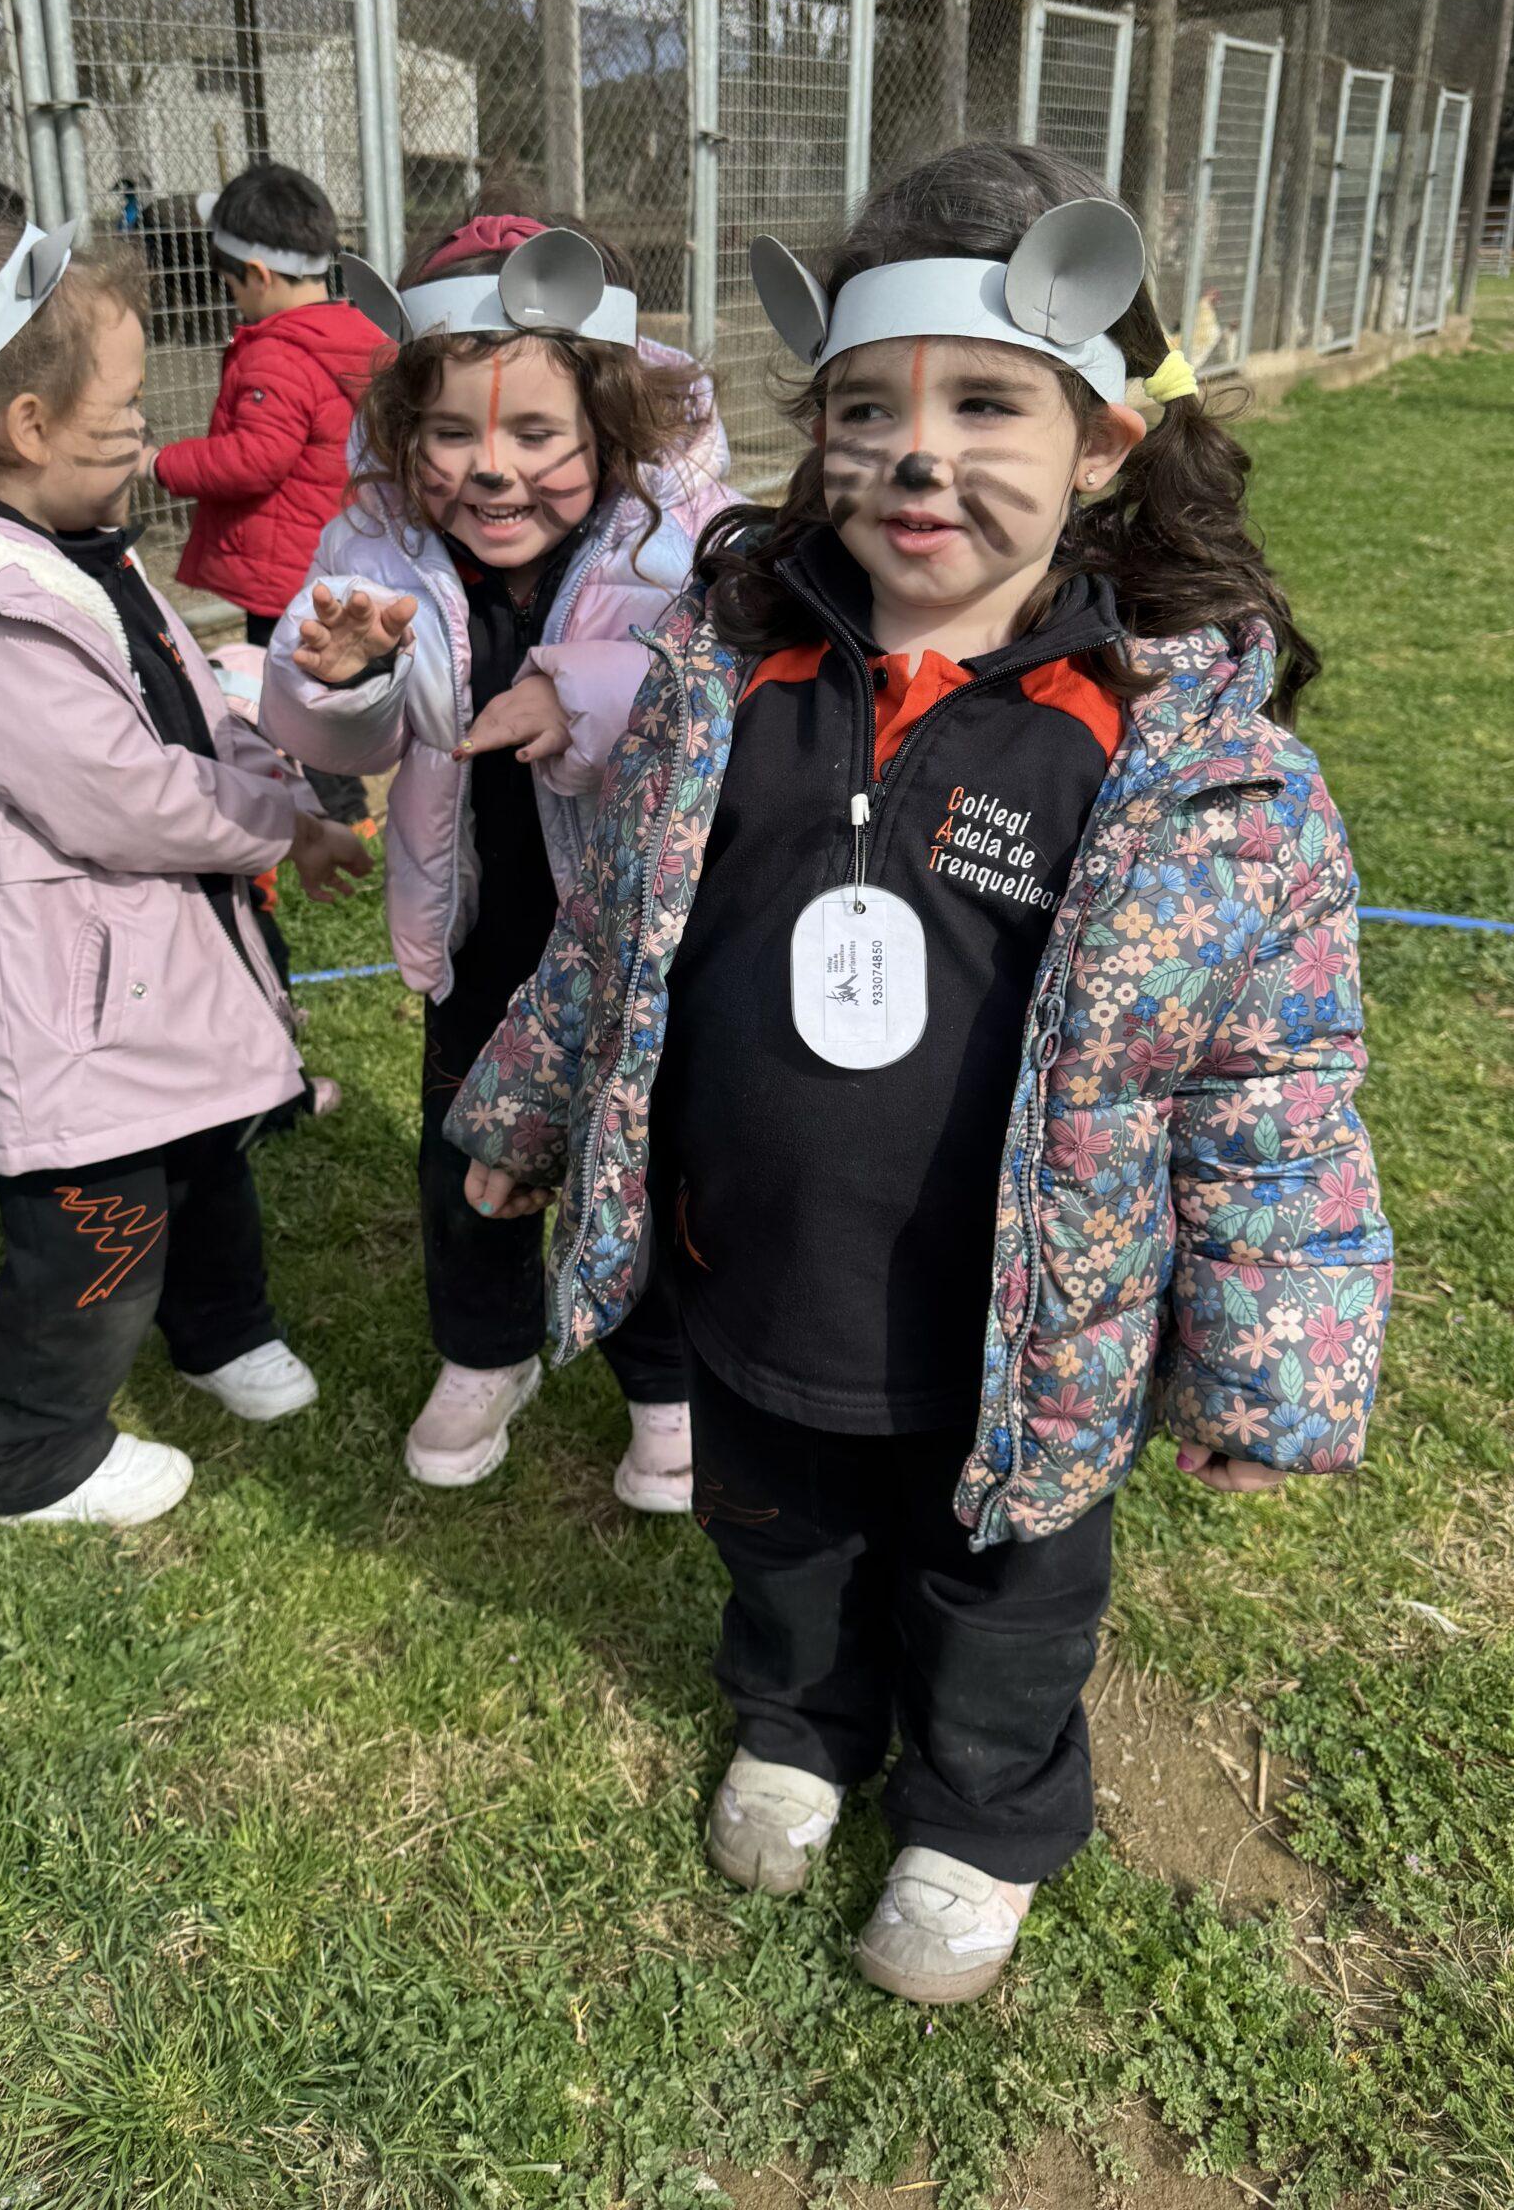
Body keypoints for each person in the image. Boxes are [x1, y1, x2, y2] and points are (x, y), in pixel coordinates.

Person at [451, 143, 1392, 2004]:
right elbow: (617, 931)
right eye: (866, 409)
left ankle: (980, 1812)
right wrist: (527, 1107)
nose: (915, 456)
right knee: (780, 1545)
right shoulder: (732, 673)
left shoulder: (1190, 760)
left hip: (1022, 1335)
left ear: (1104, 441)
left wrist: (1272, 1360)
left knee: (1003, 1599)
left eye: (984, 407)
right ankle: (799, 1725)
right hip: (755, 1276)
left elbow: (1273, 1088)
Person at [0, 219, 372, 1529]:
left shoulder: (74, 548)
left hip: (142, 970)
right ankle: (38, 1455)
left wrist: (281, 796)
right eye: (128, 415)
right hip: (58, 1002)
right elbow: (125, 794)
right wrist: (275, 824)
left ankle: (220, 1332)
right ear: (31, 427)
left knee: (205, 1147)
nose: (148, 438)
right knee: (97, 1224)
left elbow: (187, 708)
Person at [259, 213, 742, 1509]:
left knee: (638, 1155)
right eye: (450, 435)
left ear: (609, 422)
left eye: (535, 435)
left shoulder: (688, 532)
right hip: (477, 926)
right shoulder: (375, 540)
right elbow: (336, 728)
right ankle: (486, 1352)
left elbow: (727, 683)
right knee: (464, 1149)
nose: (490, 471)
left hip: (637, 935)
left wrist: (576, 692)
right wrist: (339, 683)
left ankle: (663, 1376)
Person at [143, 161, 389, 829]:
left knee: (287, 692)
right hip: (330, 556)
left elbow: (254, 458)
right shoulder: (354, 336)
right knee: (323, 682)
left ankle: (330, 817)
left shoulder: (276, 354)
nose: (232, 300)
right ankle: (344, 813)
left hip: (284, 571)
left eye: (230, 286)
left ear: (257, 275)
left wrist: (160, 463)